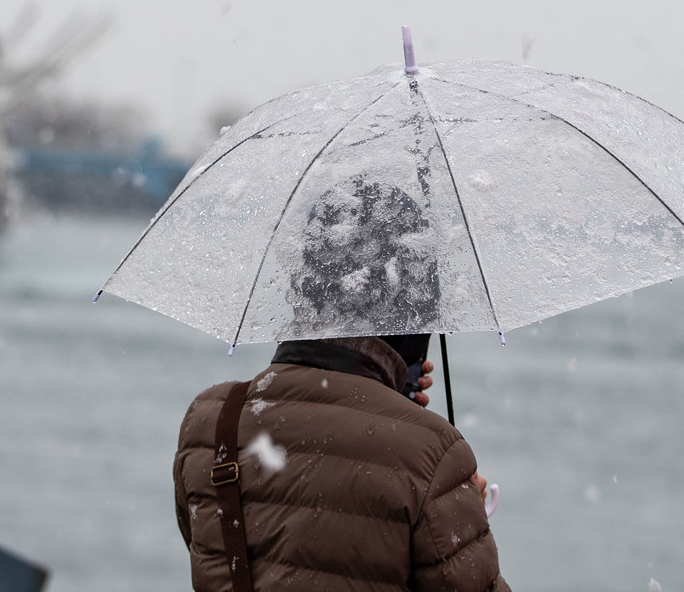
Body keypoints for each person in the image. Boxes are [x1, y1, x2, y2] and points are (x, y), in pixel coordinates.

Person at [173, 177, 509, 591]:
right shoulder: (433, 454)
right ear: (414, 301)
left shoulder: (210, 424)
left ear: (304, 281)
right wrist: (460, 515)